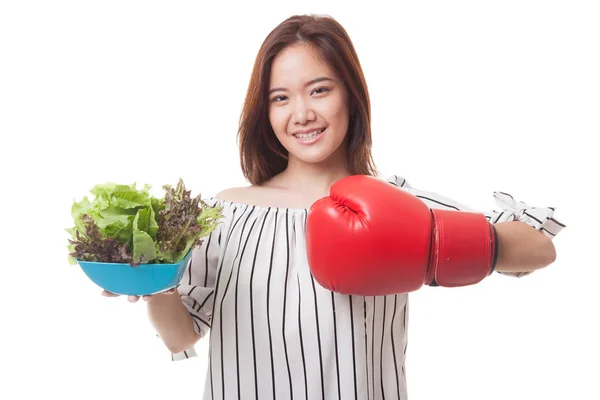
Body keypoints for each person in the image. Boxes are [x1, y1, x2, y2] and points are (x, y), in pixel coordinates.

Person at [102, 14, 565, 399]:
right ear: (265, 113)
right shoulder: (226, 214)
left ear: (351, 95)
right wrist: (154, 279)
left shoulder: (397, 203)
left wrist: (425, 245)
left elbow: (540, 249)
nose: (300, 113)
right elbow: (183, 336)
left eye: (319, 90)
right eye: (280, 98)